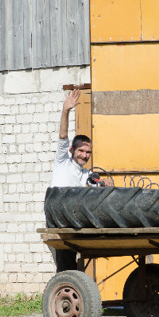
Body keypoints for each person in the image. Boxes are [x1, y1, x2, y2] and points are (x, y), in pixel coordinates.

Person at [49, 89, 113, 272]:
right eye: (81, 151)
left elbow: (98, 187)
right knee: (66, 267)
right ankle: (65, 294)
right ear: (72, 150)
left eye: (88, 152)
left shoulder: (86, 175)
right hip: (58, 221)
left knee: (74, 268)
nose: (84, 155)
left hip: (72, 223)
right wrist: (66, 110)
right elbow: (62, 136)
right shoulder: (62, 161)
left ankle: (76, 288)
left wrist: (106, 186)